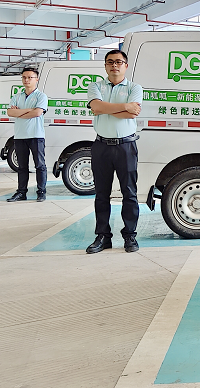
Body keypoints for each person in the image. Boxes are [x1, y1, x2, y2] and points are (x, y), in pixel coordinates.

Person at [85, 49, 143, 254]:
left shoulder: (135, 88)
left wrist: (105, 108)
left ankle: (130, 236)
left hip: (126, 146)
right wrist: (124, 107)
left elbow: (131, 114)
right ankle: (103, 236)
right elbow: (96, 107)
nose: (114, 65)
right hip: (101, 146)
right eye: (110, 62)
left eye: (119, 62)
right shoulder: (95, 86)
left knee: (129, 193)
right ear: (105, 66)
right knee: (101, 194)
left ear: (125, 66)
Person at [7, 68, 48, 202]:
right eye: (24, 77)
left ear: (36, 79)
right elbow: (10, 112)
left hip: (36, 135)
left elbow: (37, 113)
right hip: (20, 136)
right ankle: (21, 192)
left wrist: (19, 112)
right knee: (22, 167)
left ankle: (41, 192)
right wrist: (30, 110)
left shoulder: (41, 96)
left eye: (30, 77)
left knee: (40, 165)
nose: (26, 80)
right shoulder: (16, 97)